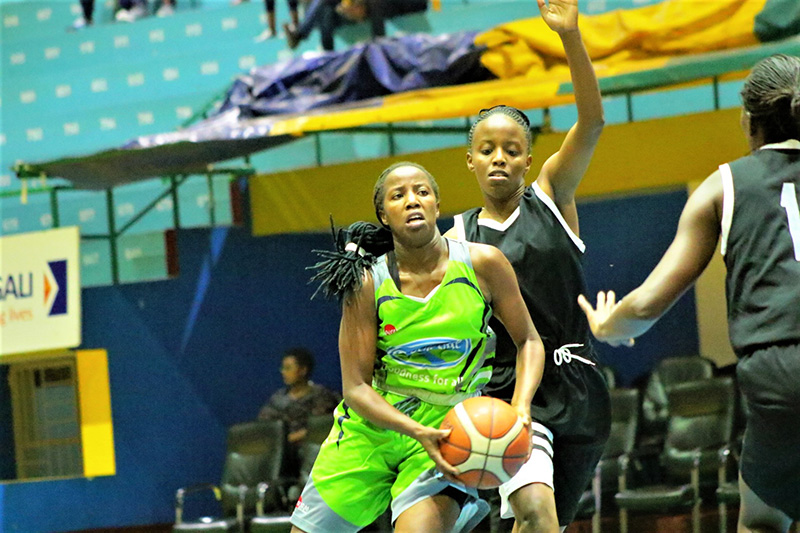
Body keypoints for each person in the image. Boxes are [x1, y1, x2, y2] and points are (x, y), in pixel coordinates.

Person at [578, 53, 800, 532]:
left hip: (778, 370)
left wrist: (608, 326)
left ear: (748, 119)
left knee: (762, 519)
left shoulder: (726, 185)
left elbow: (647, 304)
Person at [291, 162, 546, 533]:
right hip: (371, 430)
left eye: (422, 192)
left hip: (447, 432)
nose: (412, 201)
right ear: (384, 215)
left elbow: (529, 341)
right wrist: (414, 431)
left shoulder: (483, 264)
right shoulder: (366, 282)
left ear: (437, 206)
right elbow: (356, 388)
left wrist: (520, 406)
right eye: (398, 196)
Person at [445, 1, 609, 530]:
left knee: (545, 524)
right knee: (536, 511)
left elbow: (593, 121)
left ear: (527, 159)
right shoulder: (455, 237)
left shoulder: (553, 197)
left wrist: (571, 37)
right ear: (469, 160)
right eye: (486, 149)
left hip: (580, 389)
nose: (499, 158)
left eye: (511, 149)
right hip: (508, 392)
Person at [257, 347, 340, 479]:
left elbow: (318, 429)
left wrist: (287, 440)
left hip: (308, 453)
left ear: (302, 370)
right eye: (283, 368)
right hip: (279, 452)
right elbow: (265, 426)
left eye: (288, 368)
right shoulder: (277, 398)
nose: (283, 372)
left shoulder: (321, 396)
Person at [283, 0, 426, 52]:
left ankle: (380, 48)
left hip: (389, 6)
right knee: (324, 8)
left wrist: (358, 5)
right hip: (356, 10)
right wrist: (348, 6)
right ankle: (328, 57)